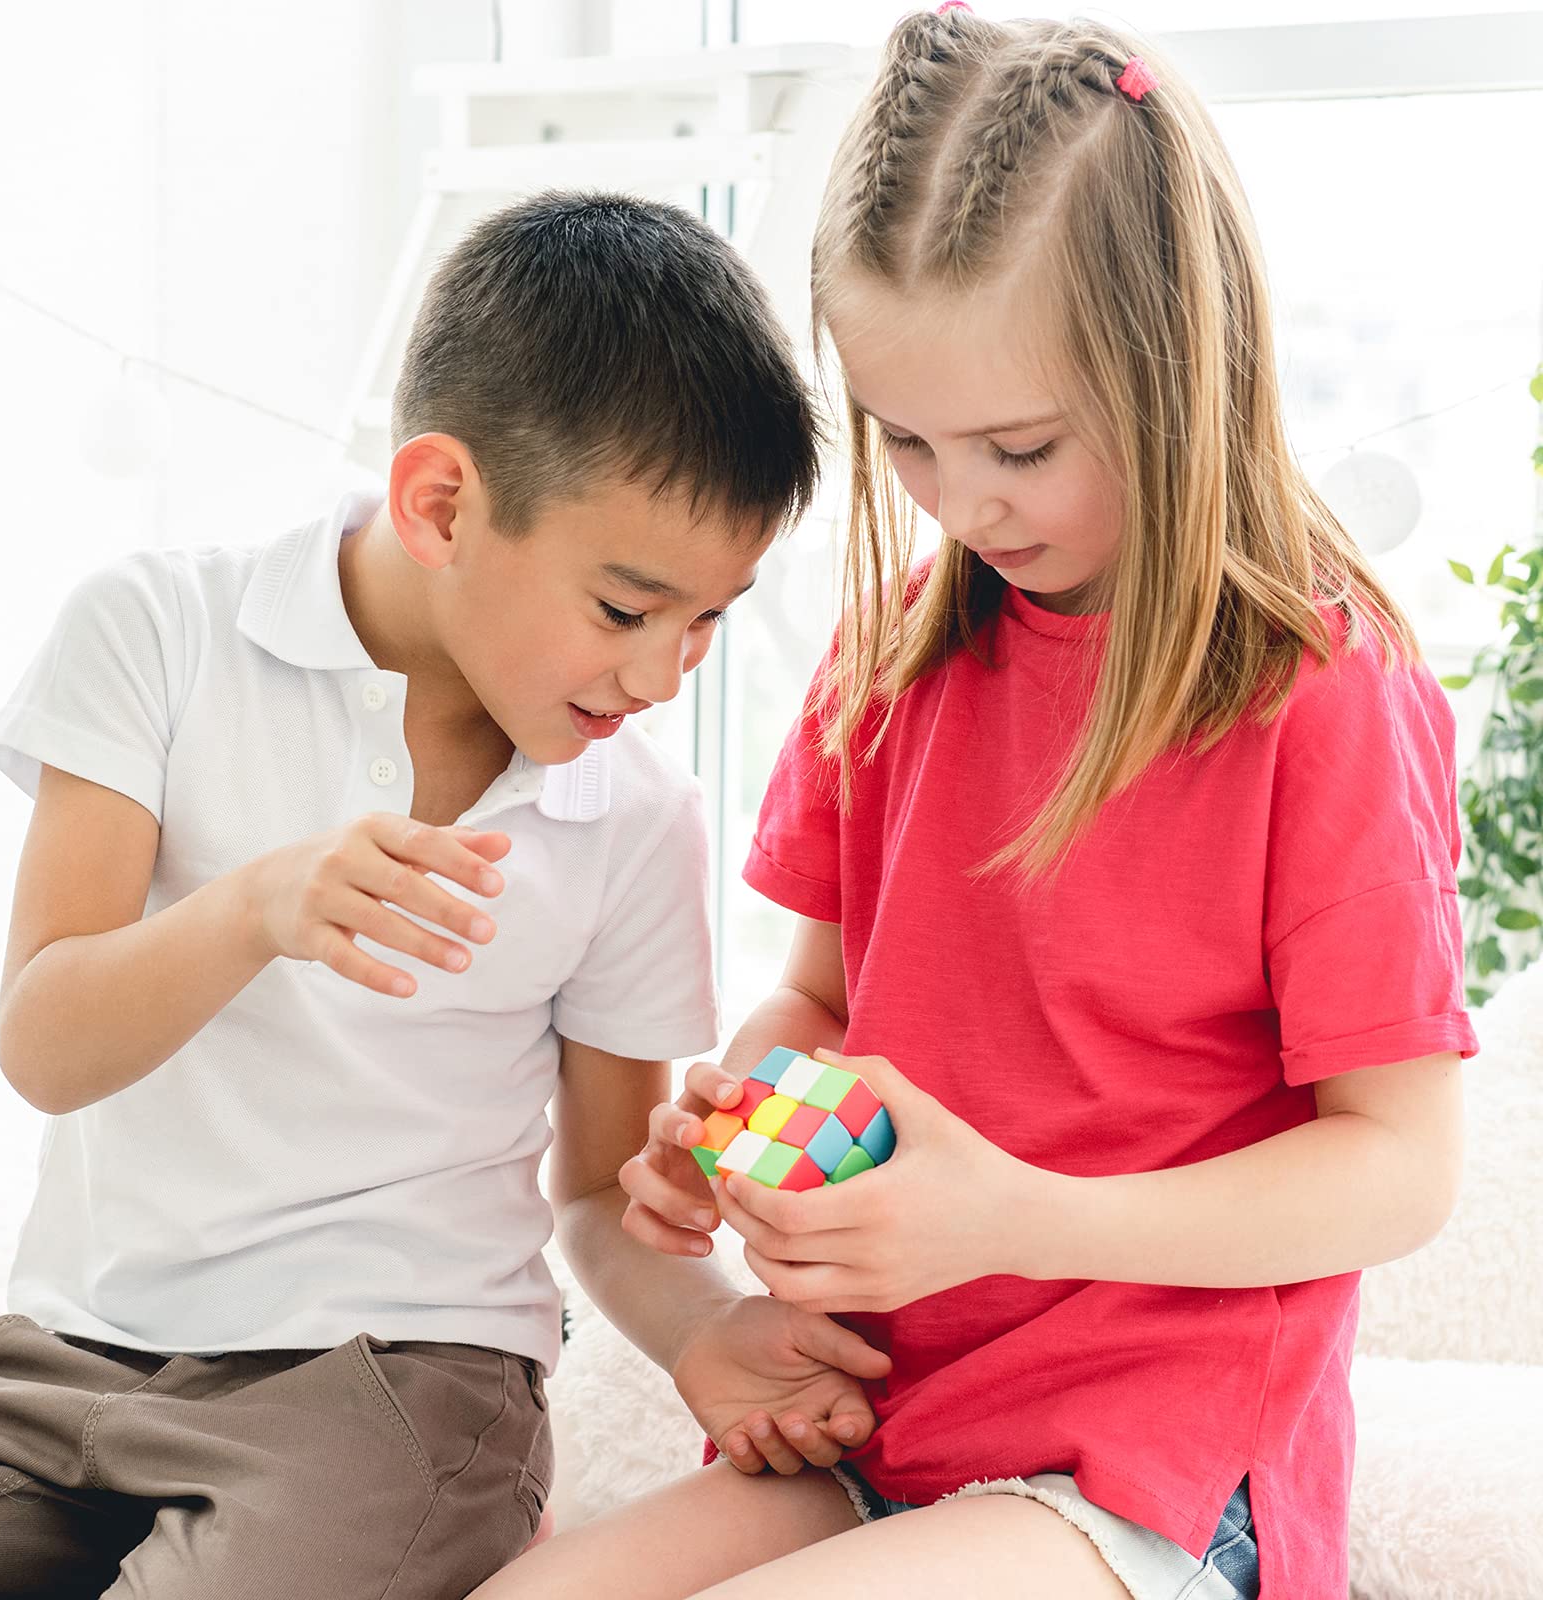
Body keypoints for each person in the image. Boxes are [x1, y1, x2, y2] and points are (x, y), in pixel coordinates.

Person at [475, 12, 1477, 1600]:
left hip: (1150, 1466)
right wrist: (739, 1128)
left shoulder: (1318, 693)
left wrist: (1015, 1216)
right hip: (889, 1421)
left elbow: (1400, 1171)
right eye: (908, 442)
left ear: (1177, 367)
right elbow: (819, 995)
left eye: (1019, 446)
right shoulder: (897, 654)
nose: (962, 501)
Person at [0, 191, 841, 1598]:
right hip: (62, 1353)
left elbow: (602, 1189)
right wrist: (256, 909)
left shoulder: (632, 818)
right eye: (626, 609)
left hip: (393, 1383)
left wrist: (702, 1332)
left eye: (709, 620)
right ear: (441, 505)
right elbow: (44, 1047)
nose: (666, 675)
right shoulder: (156, 634)